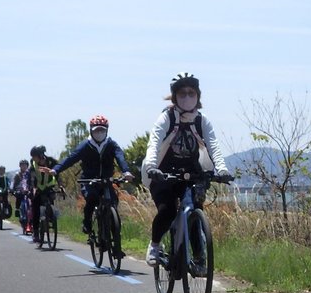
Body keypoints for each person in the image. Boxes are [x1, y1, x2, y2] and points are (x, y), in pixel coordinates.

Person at [140, 73, 231, 266]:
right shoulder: (166, 117)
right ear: (174, 97)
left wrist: (221, 169)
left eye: (192, 93)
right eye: (182, 93)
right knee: (167, 210)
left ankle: (199, 258)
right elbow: (154, 143)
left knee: (195, 212)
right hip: (163, 172)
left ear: (198, 96)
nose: (187, 97)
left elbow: (213, 144)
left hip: (192, 172)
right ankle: (155, 245)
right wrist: (151, 167)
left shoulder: (201, 120)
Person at [52, 115, 134, 234]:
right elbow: (71, 158)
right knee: (92, 198)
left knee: (113, 201)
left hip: (106, 180)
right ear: (91, 130)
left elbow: (120, 157)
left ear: (106, 130)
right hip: (89, 181)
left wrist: (126, 172)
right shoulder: (86, 145)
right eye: (96, 130)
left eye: (102, 130)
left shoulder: (111, 144)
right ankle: (87, 222)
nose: (99, 133)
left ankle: (115, 238)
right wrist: (56, 169)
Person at [28, 145, 59, 243]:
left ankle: (51, 219)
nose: (33, 158)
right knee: (35, 206)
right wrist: (33, 188)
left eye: (34, 156)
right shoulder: (33, 164)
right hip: (38, 188)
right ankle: (36, 231)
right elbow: (32, 178)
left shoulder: (52, 162)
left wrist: (61, 186)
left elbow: (58, 174)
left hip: (49, 186)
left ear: (40, 155)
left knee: (51, 203)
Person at [11, 159, 32, 234]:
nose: (24, 166)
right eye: (22, 165)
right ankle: (21, 216)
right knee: (19, 203)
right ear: (20, 166)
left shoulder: (30, 173)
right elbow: (13, 183)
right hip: (20, 192)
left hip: (29, 192)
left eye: (25, 165)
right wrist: (12, 190)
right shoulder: (17, 175)